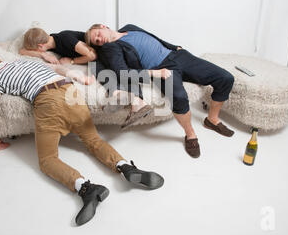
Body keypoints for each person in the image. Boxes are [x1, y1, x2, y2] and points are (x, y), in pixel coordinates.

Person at [0, 53, 164, 226]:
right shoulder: (24, 62)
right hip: (71, 93)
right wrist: (78, 76)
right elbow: (57, 69)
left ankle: (87, 188)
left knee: (47, 160)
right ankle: (126, 167)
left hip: (47, 101)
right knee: (93, 140)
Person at [85, 24, 235, 158]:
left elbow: (153, 37)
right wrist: (155, 73)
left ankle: (212, 119)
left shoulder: (130, 27)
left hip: (179, 56)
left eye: (97, 34)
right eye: (96, 41)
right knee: (179, 97)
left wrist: (174, 46)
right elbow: (123, 73)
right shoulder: (110, 48)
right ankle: (190, 135)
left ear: (103, 26)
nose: (99, 40)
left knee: (225, 78)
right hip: (160, 68)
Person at [21, 27, 153, 127]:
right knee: (100, 70)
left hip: (107, 50)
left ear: (40, 46)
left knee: (115, 70)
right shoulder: (51, 39)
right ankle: (122, 95)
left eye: (37, 50)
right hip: (100, 56)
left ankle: (138, 102)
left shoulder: (65, 38)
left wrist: (72, 61)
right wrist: (44, 55)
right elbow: (23, 51)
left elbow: (92, 55)